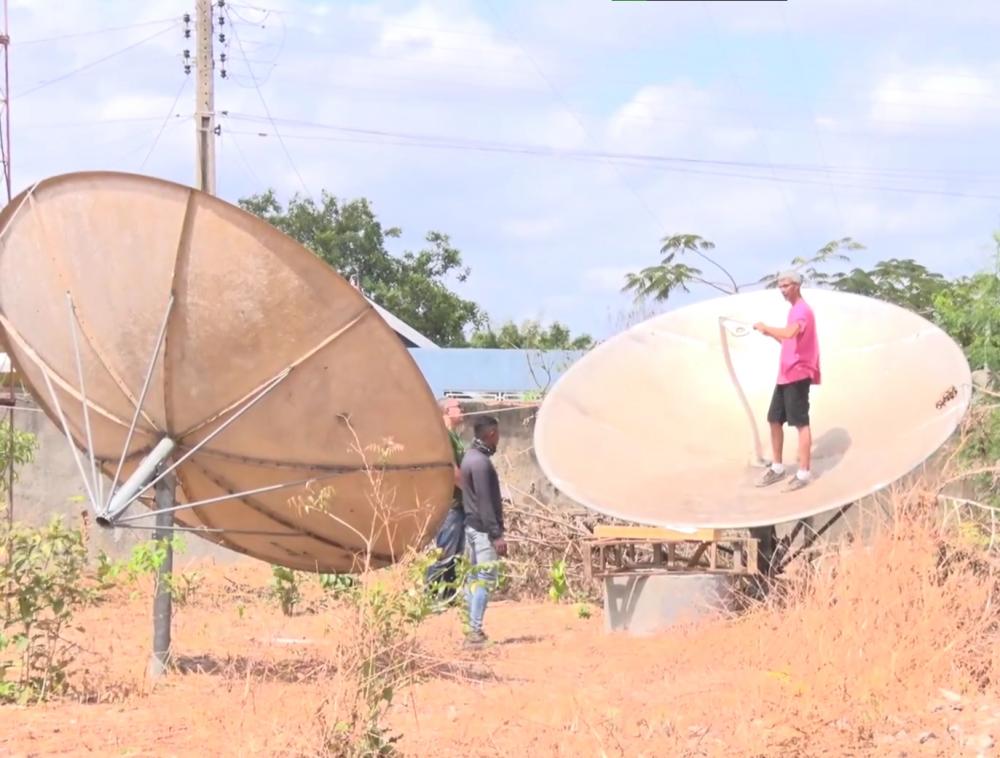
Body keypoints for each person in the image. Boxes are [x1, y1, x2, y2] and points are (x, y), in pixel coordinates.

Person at [753, 270, 821, 491]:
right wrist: (771, 335)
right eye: (780, 286)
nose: (782, 290)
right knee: (774, 419)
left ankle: (803, 472)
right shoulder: (793, 311)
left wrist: (767, 327)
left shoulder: (802, 311)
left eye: (786, 285)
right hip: (785, 375)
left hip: (798, 374)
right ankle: (778, 467)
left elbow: (791, 333)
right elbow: (789, 342)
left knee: (800, 423)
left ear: (797, 286)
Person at [459, 415, 506, 647]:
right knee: (484, 579)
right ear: (490, 435)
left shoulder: (470, 458)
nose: (498, 438)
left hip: (471, 527)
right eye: (497, 434)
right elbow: (486, 503)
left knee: (473, 579)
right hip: (482, 531)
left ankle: (471, 627)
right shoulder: (480, 463)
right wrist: (496, 535)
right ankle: (474, 632)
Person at [424, 398, 466, 604]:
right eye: (457, 407)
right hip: (448, 506)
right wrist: (473, 493)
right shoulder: (444, 438)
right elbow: (452, 472)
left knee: (456, 553)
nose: (462, 409)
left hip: (458, 505)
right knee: (444, 553)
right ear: (446, 412)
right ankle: (430, 596)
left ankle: (449, 597)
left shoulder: (455, 438)